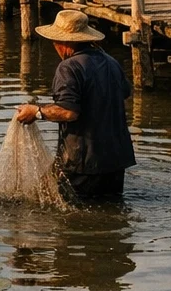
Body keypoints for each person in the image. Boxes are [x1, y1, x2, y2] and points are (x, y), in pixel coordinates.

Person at [16, 10, 135, 200]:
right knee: (109, 208)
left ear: (64, 43)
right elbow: (125, 93)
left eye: (55, 41)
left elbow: (68, 112)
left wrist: (36, 111)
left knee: (67, 210)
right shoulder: (111, 62)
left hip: (83, 161)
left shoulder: (69, 67)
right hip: (115, 160)